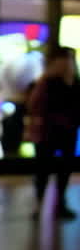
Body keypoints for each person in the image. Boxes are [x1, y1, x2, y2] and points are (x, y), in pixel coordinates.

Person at [27, 47, 79, 220]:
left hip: (60, 131)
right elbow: (35, 105)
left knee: (56, 169)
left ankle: (48, 205)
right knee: (47, 170)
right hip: (51, 131)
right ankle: (44, 205)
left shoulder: (66, 81)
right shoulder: (49, 82)